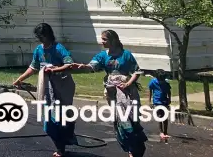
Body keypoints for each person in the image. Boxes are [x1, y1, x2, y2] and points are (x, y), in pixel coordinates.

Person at [75, 30, 148, 157]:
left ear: (113, 40)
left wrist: (127, 84)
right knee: (119, 120)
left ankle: (136, 147)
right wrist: (83, 66)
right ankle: (130, 149)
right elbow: (92, 66)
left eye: (104, 39)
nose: (102, 42)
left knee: (130, 119)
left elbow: (137, 72)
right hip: (112, 93)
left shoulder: (126, 55)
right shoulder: (103, 55)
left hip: (127, 92)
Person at [13, 23, 77, 157]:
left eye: (41, 36)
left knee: (60, 119)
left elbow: (70, 64)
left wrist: (53, 69)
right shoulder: (38, 50)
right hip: (47, 90)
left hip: (61, 88)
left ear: (48, 35)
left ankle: (62, 147)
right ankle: (61, 144)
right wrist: (20, 79)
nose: (39, 39)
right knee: (49, 123)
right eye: (38, 36)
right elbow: (33, 67)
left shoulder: (58, 49)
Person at [147, 70, 172, 142]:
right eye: (160, 80)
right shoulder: (153, 82)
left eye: (163, 80)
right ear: (157, 78)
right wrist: (149, 101)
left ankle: (166, 131)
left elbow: (169, 92)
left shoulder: (166, 83)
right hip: (157, 102)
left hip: (165, 102)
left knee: (165, 117)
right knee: (160, 116)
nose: (162, 81)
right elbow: (150, 91)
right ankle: (161, 132)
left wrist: (169, 99)